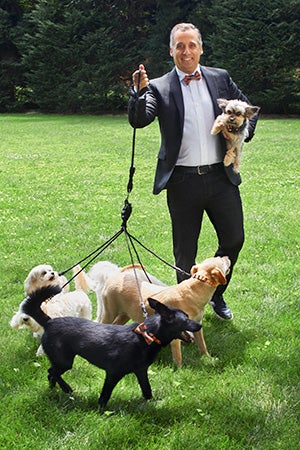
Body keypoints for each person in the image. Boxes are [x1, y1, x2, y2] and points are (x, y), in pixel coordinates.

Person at [128, 22, 259, 320]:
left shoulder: (221, 78)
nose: (186, 51)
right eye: (180, 46)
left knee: (234, 239)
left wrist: (241, 135)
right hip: (182, 181)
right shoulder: (160, 86)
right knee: (184, 252)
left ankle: (215, 293)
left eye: (191, 45)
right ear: (171, 50)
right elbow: (140, 119)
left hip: (220, 178)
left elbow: (249, 110)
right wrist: (137, 93)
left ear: (200, 48)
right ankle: (182, 312)